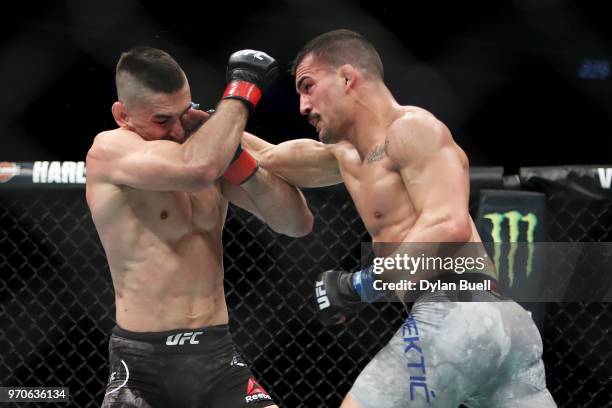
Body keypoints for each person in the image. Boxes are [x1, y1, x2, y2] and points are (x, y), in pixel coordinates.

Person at [244, 30, 557, 407]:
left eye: (308, 87)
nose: (302, 106)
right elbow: (271, 159)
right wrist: (207, 123)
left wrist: (361, 284)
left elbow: (449, 223)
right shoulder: (344, 156)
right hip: (500, 327)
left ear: (346, 78)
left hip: (458, 310)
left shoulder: (412, 128)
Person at [86, 46, 313, 407]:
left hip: (218, 359)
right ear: (122, 115)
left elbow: (296, 223)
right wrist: (243, 89)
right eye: (162, 120)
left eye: (185, 112)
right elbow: (197, 169)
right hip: (143, 367)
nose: (178, 130)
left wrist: (238, 159)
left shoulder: (207, 146)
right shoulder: (109, 150)